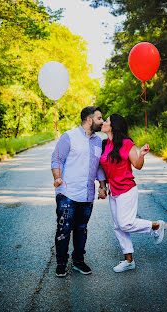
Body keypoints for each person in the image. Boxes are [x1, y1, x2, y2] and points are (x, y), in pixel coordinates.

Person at [99, 113, 165, 273]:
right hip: (113, 190)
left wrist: (141, 155)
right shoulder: (105, 144)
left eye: (106, 121)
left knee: (125, 223)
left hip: (127, 189)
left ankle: (155, 225)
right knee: (118, 227)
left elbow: (137, 165)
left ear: (113, 126)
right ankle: (129, 261)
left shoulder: (127, 144)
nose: (103, 122)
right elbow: (104, 167)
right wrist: (103, 186)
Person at [51, 106, 107, 277]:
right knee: (64, 230)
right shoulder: (69, 136)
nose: (102, 121)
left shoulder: (98, 141)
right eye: (99, 118)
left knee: (81, 229)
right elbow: (57, 159)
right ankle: (61, 263)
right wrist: (57, 177)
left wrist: (103, 186)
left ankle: (78, 262)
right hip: (67, 193)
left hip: (87, 194)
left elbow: (98, 167)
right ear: (89, 120)